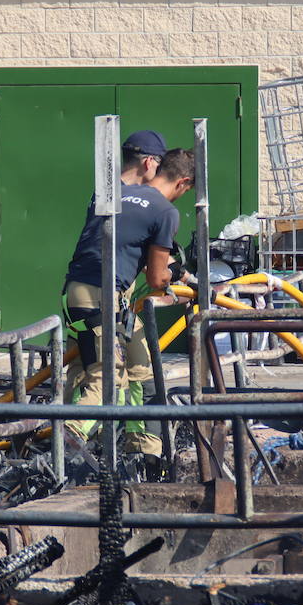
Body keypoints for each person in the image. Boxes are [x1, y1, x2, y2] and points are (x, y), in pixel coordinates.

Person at [61, 148, 196, 464]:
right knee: (107, 375)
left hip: (81, 292)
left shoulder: (121, 194)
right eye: (188, 191)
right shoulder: (165, 211)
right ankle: (68, 440)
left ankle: (143, 448)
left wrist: (181, 273)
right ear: (184, 182)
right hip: (101, 295)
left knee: (139, 366)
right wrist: (174, 277)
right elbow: (157, 276)